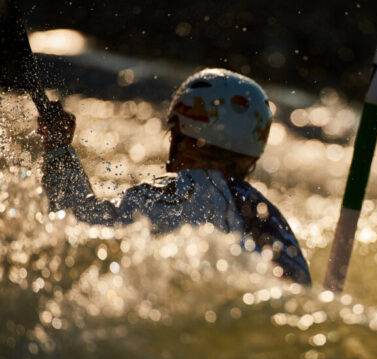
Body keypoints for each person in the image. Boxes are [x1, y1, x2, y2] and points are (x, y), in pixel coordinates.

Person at [38, 68, 311, 285]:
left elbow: (75, 220)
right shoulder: (272, 220)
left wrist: (58, 147)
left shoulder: (179, 193)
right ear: (253, 156)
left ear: (184, 139)